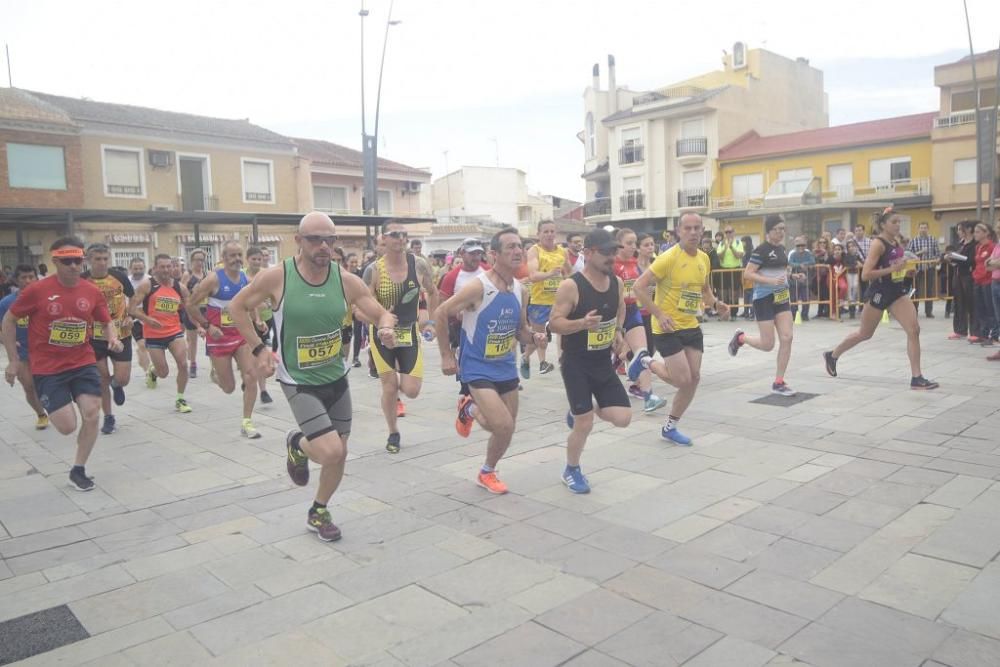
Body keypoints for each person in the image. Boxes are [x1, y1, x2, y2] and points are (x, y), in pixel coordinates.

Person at [230, 212, 398, 542]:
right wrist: (258, 348)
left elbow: (378, 310)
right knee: (332, 452)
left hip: (336, 377)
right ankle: (299, 443)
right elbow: (236, 307)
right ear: (298, 241)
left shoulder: (345, 279)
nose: (323, 246)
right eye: (315, 240)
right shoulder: (277, 277)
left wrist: (387, 326)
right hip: (299, 380)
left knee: (339, 453)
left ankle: (318, 509)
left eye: (329, 240)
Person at [3, 238, 121, 491]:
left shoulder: (91, 291)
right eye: (67, 261)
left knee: (91, 413)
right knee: (67, 427)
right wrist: (13, 360)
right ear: (55, 261)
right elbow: (9, 320)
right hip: (48, 368)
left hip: (82, 361)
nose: (73, 266)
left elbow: (105, 319)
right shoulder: (36, 290)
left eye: (77, 260)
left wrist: (112, 336)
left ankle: (78, 469)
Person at [434, 227, 545, 494]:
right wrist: (447, 356)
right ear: (494, 254)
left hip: (505, 365)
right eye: (510, 247)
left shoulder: (521, 290)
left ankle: (487, 470)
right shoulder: (478, 287)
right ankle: (469, 409)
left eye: (520, 246)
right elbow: (440, 312)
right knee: (503, 424)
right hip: (477, 366)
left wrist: (534, 338)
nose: (518, 251)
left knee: (508, 427)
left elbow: (520, 330)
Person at [630, 213, 731, 445]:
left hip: (690, 325)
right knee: (681, 380)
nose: (693, 233)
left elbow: (704, 291)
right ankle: (645, 361)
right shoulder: (668, 258)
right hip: (667, 327)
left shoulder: (704, 258)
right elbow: (638, 287)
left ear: (703, 230)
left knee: (693, 378)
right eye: (688, 228)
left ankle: (670, 426)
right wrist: (659, 313)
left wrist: (716, 304)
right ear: (678, 231)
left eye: (697, 228)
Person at [551, 229, 632, 493]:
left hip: (602, 361)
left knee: (623, 418)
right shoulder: (571, 286)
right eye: (606, 252)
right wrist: (581, 324)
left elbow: (620, 308)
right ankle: (571, 469)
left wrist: (618, 332)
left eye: (614, 251)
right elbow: (554, 323)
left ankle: (583, 407)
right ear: (588, 253)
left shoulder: (617, 283)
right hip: (575, 362)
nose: (613, 257)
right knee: (584, 423)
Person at [823, 207, 938, 390]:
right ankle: (833, 355)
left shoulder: (897, 242)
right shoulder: (879, 243)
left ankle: (917, 378)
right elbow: (866, 275)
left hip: (897, 292)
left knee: (914, 330)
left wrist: (907, 271)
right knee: (865, 334)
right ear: (883, 225)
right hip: (879, 292)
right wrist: (893, 270)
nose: (898, 225)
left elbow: (896, 266)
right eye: (894, 222)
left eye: (899, 222)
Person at [366, 220, 439, 454]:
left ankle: (399, 387)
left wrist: (431, 322)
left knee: (412, 390)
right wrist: (380, 323)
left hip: (409, 331)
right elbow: (362, 305)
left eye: (403, 234)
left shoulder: (418, 265)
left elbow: (434, 292)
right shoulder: (374, 270)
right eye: (394, 234)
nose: (400, 238)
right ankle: (393, 431)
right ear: (383, 239)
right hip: (381, 334)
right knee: (389, 387)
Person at [185, 241, 262, 438]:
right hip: (218, 338)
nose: (237, 259)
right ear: (224, 258)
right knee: (229, 388)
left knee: (251, 375)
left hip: (240, 336)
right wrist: (208, 326)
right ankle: (217, 374)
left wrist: (257, 321)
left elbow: (249, 303)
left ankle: (247, 422)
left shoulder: (245, 278)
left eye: (239, 255)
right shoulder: (213, 279)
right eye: (232, 255)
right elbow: (190, 305)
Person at [727, 215, 796, 396]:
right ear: (769, 231)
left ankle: (779, 382)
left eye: (783, 229)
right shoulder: (761, 250)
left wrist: (792, 276)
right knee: (768, 344)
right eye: (778, 229)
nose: (781, 232)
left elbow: (781, 271)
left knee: (787, 338)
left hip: (781, 296)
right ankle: (741, 338)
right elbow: (748, 274)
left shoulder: (782, 249)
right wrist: (770, 280)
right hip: (763, 299)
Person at [130, 254, 194, 412]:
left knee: (183, 364)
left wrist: (200, 325)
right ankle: (153, 371)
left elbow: (190, 309)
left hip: (174, 332)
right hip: (153, 334)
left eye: (168, 266)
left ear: (172, 267)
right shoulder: (147, 285)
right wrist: (147, 319)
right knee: (163, 373)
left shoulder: (180, 287)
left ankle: (180, 398)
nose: (166, 270)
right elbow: (131, 309)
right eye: (162, 266)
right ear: (155, 268)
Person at [82, 243, 134, 435]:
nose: (102, 263)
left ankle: (117, 385)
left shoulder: (119, 277)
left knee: (123, 378)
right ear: (88, 260)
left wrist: (131, 315)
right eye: (97, 259)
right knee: (101, 377)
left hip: (121, 334)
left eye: (105, 259)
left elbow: (134, 297)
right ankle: (109, 417)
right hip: (94, 336)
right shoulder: (82, 280)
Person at [613, 228, 666, 412]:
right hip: (611, 314)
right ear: (618, 243)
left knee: (643, 353)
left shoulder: (636, 264)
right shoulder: (611, 263)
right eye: (629, 243)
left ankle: (648, 396)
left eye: (634, 243)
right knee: (604, 354)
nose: (632, 247)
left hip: (632, 310)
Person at [0, 264, 48, 429]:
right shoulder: (6, 303)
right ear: (16, 280)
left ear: (37, 278)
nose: (28, 281)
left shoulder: (48, 298)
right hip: (21, 352)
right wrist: (8, 341)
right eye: (23, 278)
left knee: (47, 384)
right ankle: (41, 415)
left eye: (31, 277)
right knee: (28, 385)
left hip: (45, 350)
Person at [522, 220, 572, 378]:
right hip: (539, 301)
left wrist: (567, 283)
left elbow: (569, 273)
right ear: (538, 234)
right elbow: (533, 276)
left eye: (552, 231)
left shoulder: (562, 252)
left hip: (559, 301)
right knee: (540, 338)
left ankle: (558, 360)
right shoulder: (534, 251)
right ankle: (526, 357)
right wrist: (550, 273)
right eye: (546, 232)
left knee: (563, 331)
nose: (550, 235)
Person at [438, 238, 490, 353]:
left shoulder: (488, 271)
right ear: (462, 254)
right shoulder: (451, 277)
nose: (476, 257)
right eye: (472, 253)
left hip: (487, 325)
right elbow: (442, 309)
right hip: (461, 327)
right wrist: (456, 312)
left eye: (478, 253)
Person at [246, 247, 275, 402]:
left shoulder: (266, 274)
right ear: (247, 259)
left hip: (266, 318)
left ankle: (262, 389)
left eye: (259, 259)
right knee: (253, 354)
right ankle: (256, 384)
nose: (257, 262)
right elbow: (251, 301)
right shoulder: (244, 276)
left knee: (260, 353)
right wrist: (257, 319)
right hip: (249, 320)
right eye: (254, 259)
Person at [948, 221, 978, 340]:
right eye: (958, 230)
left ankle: (975, 331)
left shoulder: (974, 244)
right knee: (959, 303)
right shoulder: (959, 243)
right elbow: (951, 252)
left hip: (969, 276)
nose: (959, 232)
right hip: (958, 275)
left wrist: (957, 259)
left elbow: (971, 260)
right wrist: (948, 257)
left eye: (961, 229)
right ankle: (960, 330)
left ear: (969, 229)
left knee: (971, 303)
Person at [181, 250, 209, 378]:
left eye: (202, 260)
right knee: (193, 340)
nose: (199, 262)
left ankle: (214, 365)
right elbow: (181, 291)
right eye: (197, 259)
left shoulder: (207, 274)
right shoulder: (188, 275)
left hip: (205, 309)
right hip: (191, 310)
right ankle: (193, 364)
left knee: (210, 338)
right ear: (192, 261)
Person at [971, 222, 997, 345]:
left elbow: (991, 264)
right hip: (977, 281)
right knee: (980, 308)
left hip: (987, 281)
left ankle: (993, 335)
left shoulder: (992, 246)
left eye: (977, 232)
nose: (975, 234)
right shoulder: (978, 247)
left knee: (989, 308)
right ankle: (984, 333)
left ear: (986, 233)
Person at [907, 222, 940, 318]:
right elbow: (908, 254)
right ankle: (914, 311)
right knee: (914, 290)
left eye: (925, 228)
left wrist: (936, 259)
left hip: (929, 268)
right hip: (917, 269)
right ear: (918, 229)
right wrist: (920, 252)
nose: (923, 229)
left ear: (928, 229)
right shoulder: (913, 240)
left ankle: (929, 312)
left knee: (929, 290)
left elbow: (937, 253)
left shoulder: (933, 240)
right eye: (921, 228)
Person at [127, 257, 152, 373]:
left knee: (148, 346)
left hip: (148, 315)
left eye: (141, 268)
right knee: (142, 344)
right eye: (135, 268)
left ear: (144, 268)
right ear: (130, 269)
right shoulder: (126, 281)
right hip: (134, 315)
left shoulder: (150, 280)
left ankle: (144, 360)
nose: (138, 271)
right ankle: (149, 373)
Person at [716, 226, 744, 317]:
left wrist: (731, 247)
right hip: (724, 269)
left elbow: (739, 255)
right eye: (726, 232)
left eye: (730, 232)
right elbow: (719, 256)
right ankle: (725, 312)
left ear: (733, 232)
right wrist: (725, 247)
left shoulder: (738, 242)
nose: (728, 234)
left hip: (735, 269)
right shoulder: (721, 243)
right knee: (724, 293)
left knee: (734, 292)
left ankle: (734, 313)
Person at [789, 237, 815, 321]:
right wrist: (799, 265)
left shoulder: (808, 253)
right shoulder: (793, 254)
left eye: (802, 245)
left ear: (805, 245)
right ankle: (794, 314)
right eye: (798, 245)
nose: (800, 247)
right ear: (796, 246)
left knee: (806, 297)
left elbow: (812, 261)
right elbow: (790, 262)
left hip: (805, 280)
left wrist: (804, 264)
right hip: (795, 280)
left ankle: (805, 315)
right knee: (794, 298)